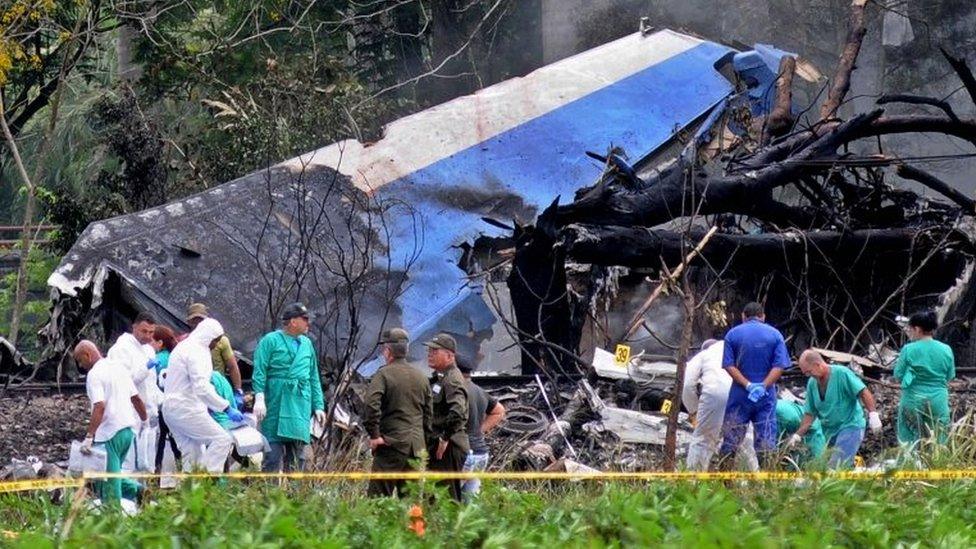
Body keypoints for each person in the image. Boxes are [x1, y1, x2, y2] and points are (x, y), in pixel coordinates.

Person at [252, 302, 326, 472]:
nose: (308, 323)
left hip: (299, 404)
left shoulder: (307, 344)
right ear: (293, 321)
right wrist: (259, 397)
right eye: (305, 319)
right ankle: (269, 496)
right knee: (272, 455)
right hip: (276, 402)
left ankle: (293, 497)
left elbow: (313, 376)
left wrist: (318, 405)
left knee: (298, 458)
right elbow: (260, 370)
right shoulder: (270, 341)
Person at [162, 318, 241, 472]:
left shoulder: (187, 346)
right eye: (216, 340)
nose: (217, 344)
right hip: (185, 408)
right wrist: (226, 408)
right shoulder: (196, 351)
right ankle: (206, 481)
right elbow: (202, 388)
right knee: (222, 439)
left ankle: (191, 491)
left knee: (192, 454)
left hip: (174, 409)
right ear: (208, 337)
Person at [74, 340, 148, 504]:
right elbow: (136, 398)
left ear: (88, 355)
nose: (81, 365)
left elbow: (99, 406)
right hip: (127, 432)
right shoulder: (118, 368)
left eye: (80, 360)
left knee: (108, 485)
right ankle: (139, 491)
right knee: (108, 475)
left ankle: (113, 521)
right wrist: (144, 420)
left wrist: (89, 436)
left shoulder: (94, 374)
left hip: (109, 435)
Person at [719, 302, 791, 468]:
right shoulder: (775, 335)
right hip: (765, 397)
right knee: (766, 442)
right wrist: (763, 386)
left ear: (743, 316)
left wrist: (748, 385)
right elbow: (779, 366)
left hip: (740, 394)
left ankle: (724, 484)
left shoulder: (732, 334)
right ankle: (767, 487)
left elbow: (729, 365)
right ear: (763, 317)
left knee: (731, 439)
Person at [363, 328, 433, 498]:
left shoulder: (383, 374)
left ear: (387, 351)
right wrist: (423, 442)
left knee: (378, 501)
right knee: (410, 504)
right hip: (416, 449)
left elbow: (371, 405)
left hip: (390, 445)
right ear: (406, 350)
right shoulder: (422, 377)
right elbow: (428, 415)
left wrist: (374, 435)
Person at [787, 350, 882, 468]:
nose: (808, 376)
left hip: (850, 426)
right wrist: (797, 435)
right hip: (829, 432)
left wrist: (873, 414)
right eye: (806, 373)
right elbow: (809, 414)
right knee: (823, 467)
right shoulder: (812, 383)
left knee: (835, 467)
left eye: (809, 372)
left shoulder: (841, 373)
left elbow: (863, 392)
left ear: (818, 365)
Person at [681, 339, 759, 471]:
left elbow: (687, 384)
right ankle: (753, 481)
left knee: (703, 440)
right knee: (745, 440)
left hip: (716, 393)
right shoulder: (738, 351)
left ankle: (692, 482)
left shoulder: (704, 355)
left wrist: (694, 410)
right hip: (742, 394)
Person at [894, 310, 955, 444]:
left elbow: (898, 375)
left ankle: (910, 463)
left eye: (911, 329)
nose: (910, 332)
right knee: (939, 438)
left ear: (917, 329)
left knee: (908, 438)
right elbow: (950, 376)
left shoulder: (908, 349)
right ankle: (938, 463)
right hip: (938, 398)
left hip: (913, 398)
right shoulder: (946, 349)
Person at [425, 333, 469, 501]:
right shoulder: (440, 378)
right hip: (440, 445)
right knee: (435, 497)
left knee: (445, 498)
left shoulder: (452, 379)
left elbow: (458, 412)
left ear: (450, 356)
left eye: (435, 351)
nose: (430, 354)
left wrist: (444, 438)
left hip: (449, 447)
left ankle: (452, 527)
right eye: (429, 350)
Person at [456, 356, 505, 500]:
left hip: (465, 454)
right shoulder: (479, 390)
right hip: (481, 454)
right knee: (470, 507)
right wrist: (479, 430)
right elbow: (499, 411)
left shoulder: (458, 390)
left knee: (445, 499)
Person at [107, 312, 164, 435]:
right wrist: (146, 368)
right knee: (132, 452)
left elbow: (151, 384)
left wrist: (161, 400)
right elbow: (124, 383)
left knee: (147, 452)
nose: (148, 336)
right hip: (130, 413)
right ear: (134, 327)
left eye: (151, 332)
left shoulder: (148, 349)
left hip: (149, 411)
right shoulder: (121, 349)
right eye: (144, 331)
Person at [186, 303, 244, 408]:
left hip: (218, 388)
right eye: (195, 320)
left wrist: (238, 390)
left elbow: (232, 366)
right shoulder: (186, 343)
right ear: (189, 322)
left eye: (201, 320)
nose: (198, 324)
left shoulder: (220, 341)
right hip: (195, 391)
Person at [150, 325, 182, 482]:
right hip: (177, 404)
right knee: (174, 439)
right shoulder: (175, 357)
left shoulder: (158, 360)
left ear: (160, 343)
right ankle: (183, 473)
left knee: (161, 441)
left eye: (152, 341)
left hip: (162, 405)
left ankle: (156, 475)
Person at [775, 399, 826, 464]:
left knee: (813, 465)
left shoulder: (781, 417)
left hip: (811, 431)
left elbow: (774, 447)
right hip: (795, 428)